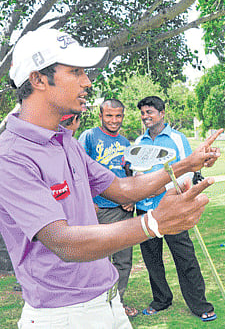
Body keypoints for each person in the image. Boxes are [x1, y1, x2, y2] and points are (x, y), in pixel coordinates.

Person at [0, 28, 221, 328]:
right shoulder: (9, 158)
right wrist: (154, 223)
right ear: (38, 79)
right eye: (76, 72)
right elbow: (64, 242)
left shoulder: (65, 141)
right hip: (63, 316)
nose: (87, 82)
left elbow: (122, 188)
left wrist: (186, 164)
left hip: (107, 303)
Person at [134, 96, 216, 322]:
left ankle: (199, 304)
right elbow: (135, 171)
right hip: (145, 209)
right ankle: (161, 299)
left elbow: (189, 172)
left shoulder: (177, 139)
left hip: (172, 208)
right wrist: (141, 185)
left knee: (185, 257)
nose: (145, 117)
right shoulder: (139, 141)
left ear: (162, 113)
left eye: (149, 112)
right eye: (142, 113)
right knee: (152, 259)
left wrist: (160, 187)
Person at [78, 99, 138, 318]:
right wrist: (88, 201)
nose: (114, 120)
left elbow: (130, 174)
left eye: (118, 116)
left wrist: (131, 198)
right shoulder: (89, 137)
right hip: (98, 210)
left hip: (122, 210)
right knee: (98, 261)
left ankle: (117, 304)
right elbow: (78, 171)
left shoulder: (125, 143)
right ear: (100, 115)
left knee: (123, 261)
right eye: (109, 115)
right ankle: (97, 307)